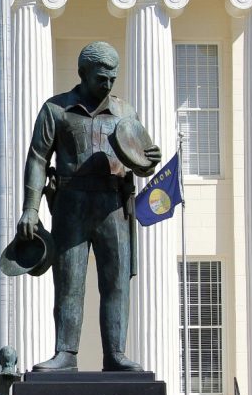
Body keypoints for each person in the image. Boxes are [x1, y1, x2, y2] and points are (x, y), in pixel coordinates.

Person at [16, 41, 161, 371]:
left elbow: (139, 158)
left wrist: (148, 162)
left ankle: (115, 354)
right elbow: (37, 159)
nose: (107, 85)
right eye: (100, 78)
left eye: (112, 78)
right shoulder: (56, 110)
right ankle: (66, 353)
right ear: (82, 74)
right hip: (71, 205)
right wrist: (31, 207)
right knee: (69, 282)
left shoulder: (126, 113)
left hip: (112, 205)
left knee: (116, 282)